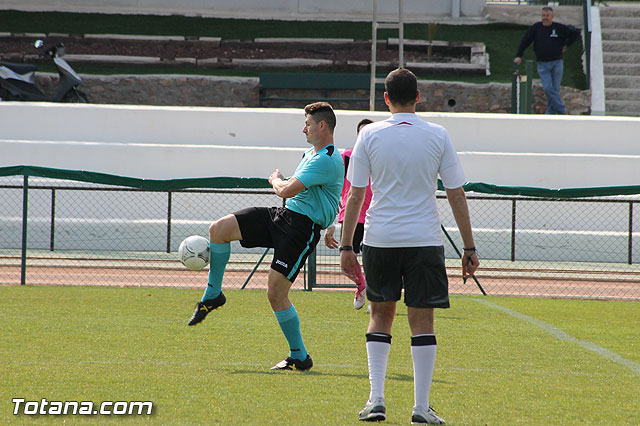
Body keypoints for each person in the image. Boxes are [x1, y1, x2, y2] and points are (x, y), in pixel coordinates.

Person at [339, 68, 479, 424]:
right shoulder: (438, 134)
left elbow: (355, 195)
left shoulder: (368, 134)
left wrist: (345, 247)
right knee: (422, 320)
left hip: (380, 239)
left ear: (385, 99)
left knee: (379, 317)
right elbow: (456, 193)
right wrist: (469, 247)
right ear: (418, 96)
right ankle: (420, 406)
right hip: (425, 240)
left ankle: (376, 400)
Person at [188, 101, 344, 372]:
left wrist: (275, 179)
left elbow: (286, 191)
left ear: (322, 125)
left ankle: (299, 356)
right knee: (219, 230)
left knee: (275, 293)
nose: (303, 128)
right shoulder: (312, 153)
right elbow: (322, 196)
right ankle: (213, 295)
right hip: (283, 217)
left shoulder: (327, 158)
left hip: (300, 230)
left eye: (307, 123)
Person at [324, 118, 374, 310]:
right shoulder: (346, 157)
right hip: (351, 216)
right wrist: (331, 222)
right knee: (347, 263)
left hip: (376, 216)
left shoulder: (381, 158)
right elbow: (334, 186)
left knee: (374, 260)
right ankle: (361, 287)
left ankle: (375, 297)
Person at [513, 6, 580, 115]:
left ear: (552, 17)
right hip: (542, 64)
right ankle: (562, 110)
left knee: (555, 90)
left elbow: (575, 33)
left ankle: (550, 114)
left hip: (557, 63)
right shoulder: (536, 28)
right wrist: (519, 55)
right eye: (543, 16)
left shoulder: (559, 28)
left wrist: (567, 45)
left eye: (547, 16)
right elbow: (525, 41)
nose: (545, 18)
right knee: (548, 88)